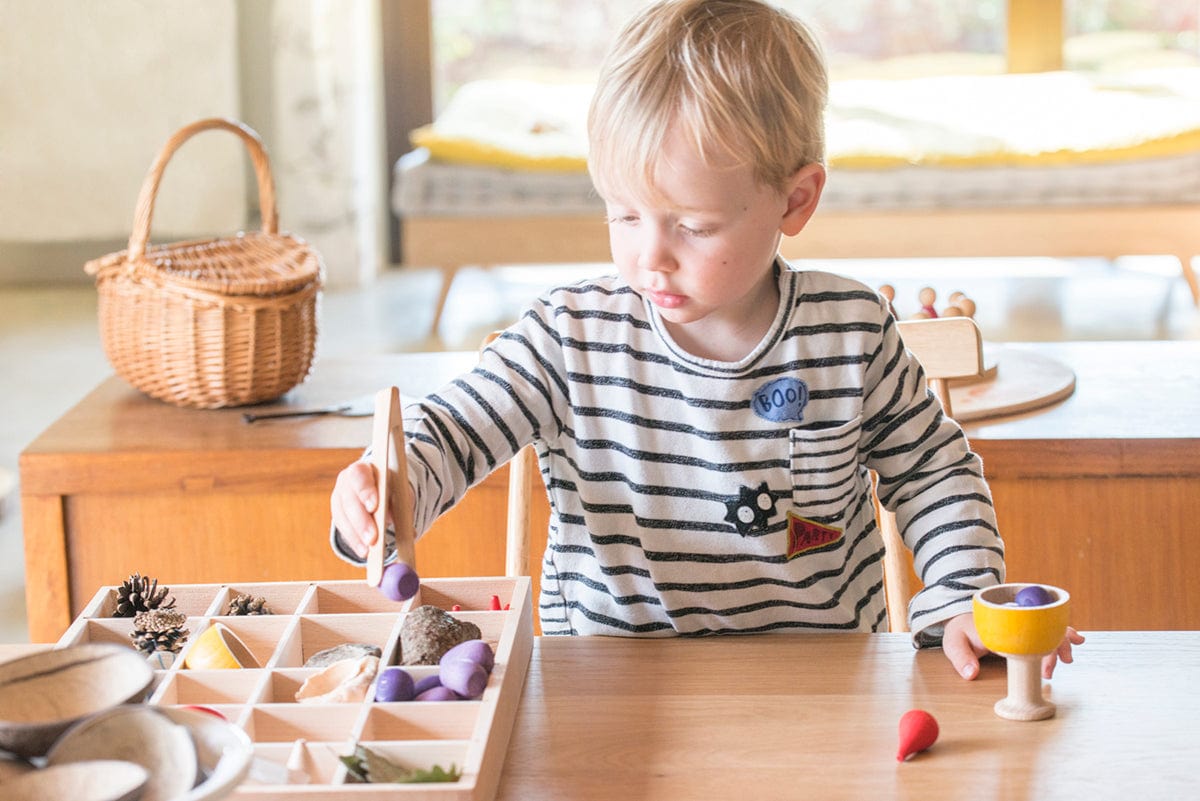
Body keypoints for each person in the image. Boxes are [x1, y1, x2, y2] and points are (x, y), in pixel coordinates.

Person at [330, 0, 1082, 679]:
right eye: (623, 214)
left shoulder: (850, 334)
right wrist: (392, 484)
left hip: (819, 688)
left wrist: (957, 598)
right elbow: (455, 426)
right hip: (608, 686)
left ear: (795, 200)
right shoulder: (569, 336)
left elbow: (933, 473)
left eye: (691, 225)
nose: (649, 255)